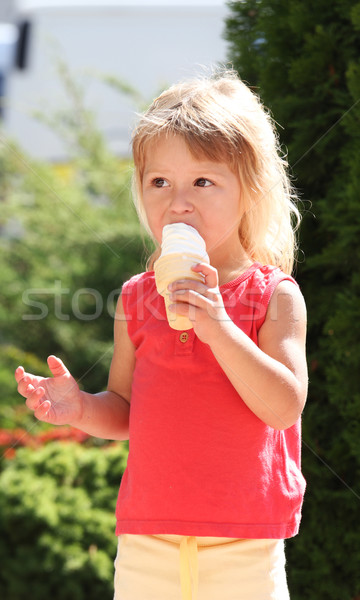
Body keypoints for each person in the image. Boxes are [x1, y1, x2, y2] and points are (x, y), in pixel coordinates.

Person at [15, 68, 308, 600]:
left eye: (203, 181)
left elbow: (284, 406)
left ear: (250, 191)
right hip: (147, 544)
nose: (178, 202)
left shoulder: (274, 296)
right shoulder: (135, 298)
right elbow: (126, 409)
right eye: (159, 183)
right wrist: (80, 407)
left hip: (244, 546)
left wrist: (218, 327)